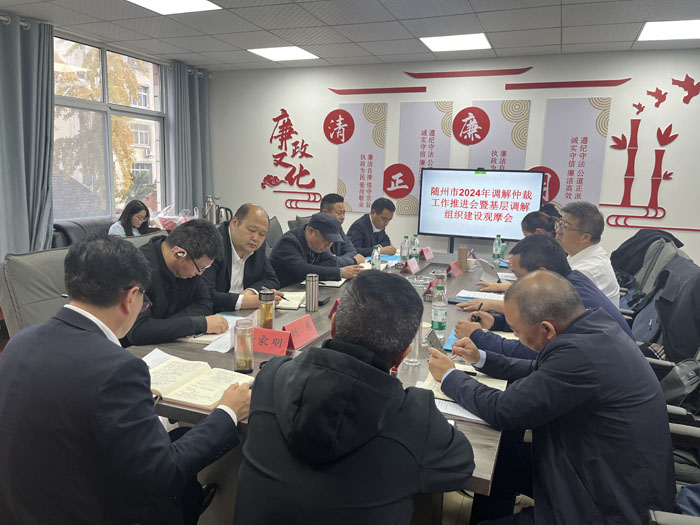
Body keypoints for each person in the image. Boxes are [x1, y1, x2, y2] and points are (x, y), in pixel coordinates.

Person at [0, 237, 251, 524]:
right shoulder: (118, 369)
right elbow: (161, 474)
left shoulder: (20, 341)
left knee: (179, 436)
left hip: (24, 504)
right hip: (89, 509)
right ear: (132, 297)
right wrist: (228, 411)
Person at [429, 271, 675, 524]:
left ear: (546, 328)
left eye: (516, 330)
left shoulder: (581, 354)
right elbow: (538, 370)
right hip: (592, 468)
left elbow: (503, 410)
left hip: (608, 507)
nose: (515, 334)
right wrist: (481, 357)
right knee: (500, 462)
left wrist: (450, 376)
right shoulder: (594, 327)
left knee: (501, 453)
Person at [234, 271, 475, 524]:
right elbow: (461, 467)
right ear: (402, 356)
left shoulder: (271, 377)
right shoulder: (416, 418)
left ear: (333, 327)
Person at [454, 235, 634, 361]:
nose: (516, 284)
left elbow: (529, 354)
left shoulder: (567, 299)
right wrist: (497, 322)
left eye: (518, 277)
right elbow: (536, 325)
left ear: (541, 273)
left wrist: (477, 336)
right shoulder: (570, 280)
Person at [127, 219, 229, 345]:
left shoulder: (190, 264)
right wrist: (198, 324)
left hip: (170, 344)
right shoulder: (137, 268)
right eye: (200, 268)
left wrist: (166, 325)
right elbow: (138, 331)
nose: (200, 273)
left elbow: (205, 304)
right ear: (178, 254)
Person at [202, 203, 281, 313]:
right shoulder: (212, 243)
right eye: (251, 230)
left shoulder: (257, 246)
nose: (256, 238)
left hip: (241, 314)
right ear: (234, 223)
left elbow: (271, 279)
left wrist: (250, 292)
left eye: (262, 234)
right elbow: (205, 294)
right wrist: (246, 301)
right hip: (213, 315)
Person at [269, 212, 363, 288]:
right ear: (311, 231)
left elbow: (332, 261)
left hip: (305, 288)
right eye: (326, 240)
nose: (328, 246)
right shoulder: (288, 242)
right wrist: (339, 272)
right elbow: (301, 270)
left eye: (332, 242)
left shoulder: (318, 244)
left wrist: (312, 269)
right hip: (285, 291)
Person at [556, 201, 620, 306]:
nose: (558, 231)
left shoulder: (586, 271)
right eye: (560, 224)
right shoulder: (582, 254)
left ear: (585, 237)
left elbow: (556, 304)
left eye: (565, 227)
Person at [320, 193, 365, 266]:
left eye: (344, 213)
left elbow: (352, 251)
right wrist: (353, 260)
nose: (342, 217)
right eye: (339, 213)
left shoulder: (338, 227)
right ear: (325, 213)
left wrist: (338, 259)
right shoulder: (317, 230)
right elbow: (328, 261)